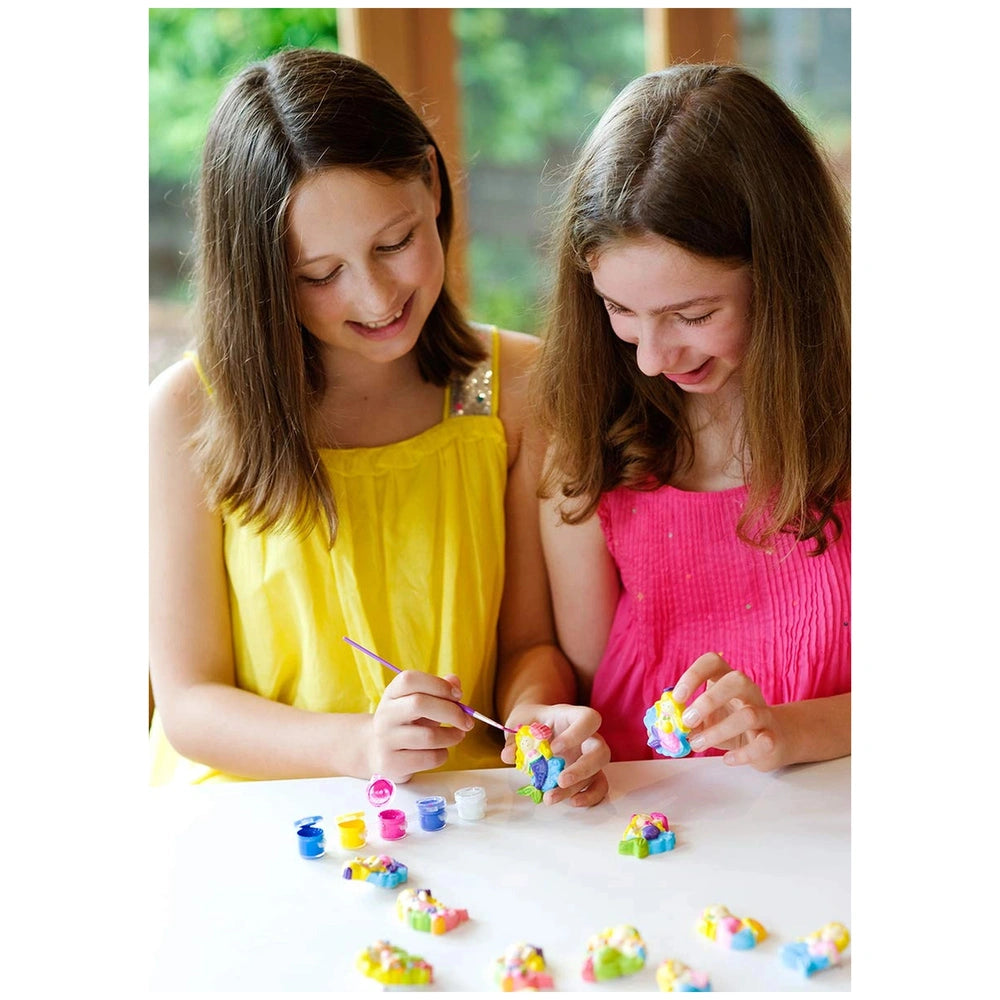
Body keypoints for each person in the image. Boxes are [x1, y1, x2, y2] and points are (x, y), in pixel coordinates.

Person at [148, 47, 609, 804]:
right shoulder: (193, 412)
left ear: (430, 180)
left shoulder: (510, 390)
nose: (376, 296)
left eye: (393, 243)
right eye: (319, 275)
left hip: (460, 815)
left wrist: (534, 718)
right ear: (258, 275)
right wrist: (359, 744)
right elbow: (190, 706)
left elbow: (528, 644)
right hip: (250, 814)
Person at [534, 63, 850, 771]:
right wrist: (553, 725)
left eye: (694, 315)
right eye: (619, 310)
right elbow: (576, 677)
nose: (650, 358)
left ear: (787, 277)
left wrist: (790, 732)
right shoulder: (593, 445)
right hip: (644, 835)